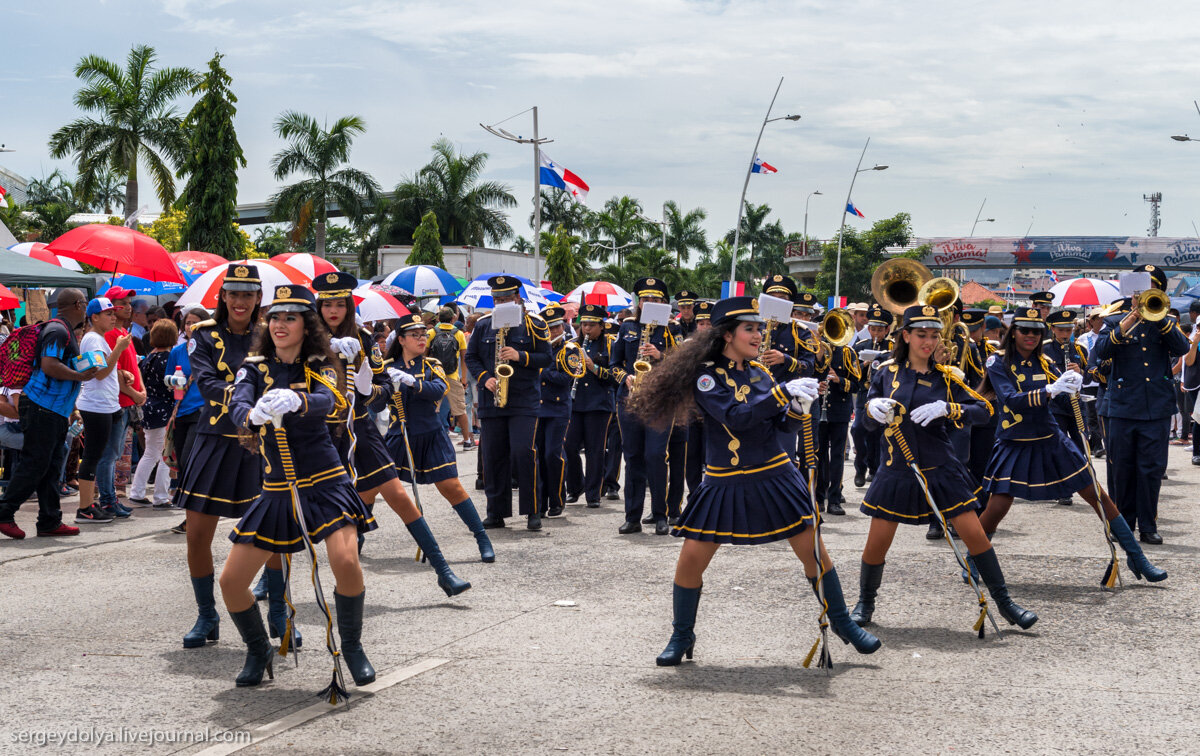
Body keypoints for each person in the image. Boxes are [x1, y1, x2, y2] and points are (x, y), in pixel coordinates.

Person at [626, 296, 880, 666]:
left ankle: (843, 623)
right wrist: (782, 393)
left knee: (814, 552)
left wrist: (796, 409)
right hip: (723, 481)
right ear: (728, 335)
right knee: (690, 562)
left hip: (775, 475)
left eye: (759, 328)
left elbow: (779, 428)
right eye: (751, 328)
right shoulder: (707, 377)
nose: (759, 334)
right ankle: (682, 635)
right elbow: (736, 416)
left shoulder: (761, 372)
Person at [221, 284, 377, 689]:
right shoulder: (254, 367)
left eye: (290, 317)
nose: (279, 324)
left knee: (345, 562)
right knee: (232, 582)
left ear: (306, 325)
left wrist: (297, 402)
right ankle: (258, 651)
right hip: (277, 488)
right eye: (274, 317)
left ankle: (353, 647)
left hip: (325, 482)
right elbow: (236, 404)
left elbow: (333, 401)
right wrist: (252, 413)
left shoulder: (321, 363)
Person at [850, 303, 1038, 633]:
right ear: (905, 335)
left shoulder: (949, 377)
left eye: (934, 335)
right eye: (921, 334)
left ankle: (1006, 603)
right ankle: (865, 602)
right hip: (896, 469)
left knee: (976, 537)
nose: (928, 342)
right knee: (877, 543)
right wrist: (871, 408)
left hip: (941, 469)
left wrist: (949, 409)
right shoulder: (885, 373)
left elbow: (984, 411)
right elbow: (865, 426)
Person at [315, 272, 479, 597]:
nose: (334, 310)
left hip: (360, 427)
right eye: (327, 303)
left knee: (400, 497)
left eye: (340, 303)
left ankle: (443, 571)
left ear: (349, 305)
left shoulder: (362, 340)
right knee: (299, 504)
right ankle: (270, 583)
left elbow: (383, 387)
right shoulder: (305, 339)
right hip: (319, 431)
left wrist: (366, 387)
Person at [976, 308, 1166, 583]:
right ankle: (973, 559)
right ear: (1013, 332)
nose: (1030, 336)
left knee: (1098, 496)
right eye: (1024, 330)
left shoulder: (1044, 362)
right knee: (996, 509)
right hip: (1015, 441)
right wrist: (1050, 390)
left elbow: (1066, 402)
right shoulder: (998, 362)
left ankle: (1137, 557)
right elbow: (1010, 399)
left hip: (1051, 439)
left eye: (1035, 331)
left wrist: (1076, 384)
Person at [175, 264, 268, 649]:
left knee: (270, 534)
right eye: (234, 293)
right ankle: (206, 614)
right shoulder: (204, 335)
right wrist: (247, 401)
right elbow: (207, 381)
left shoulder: (271, 334)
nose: (241, 301)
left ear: (258, 297)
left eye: (248, 294)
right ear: (224, 296)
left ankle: (278, 613)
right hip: (214, 438)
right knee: (197, 536)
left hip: (260, 443)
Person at [384, 312, 493, 565]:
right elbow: (377, 401)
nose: (421, 339)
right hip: (400, 436)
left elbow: (440, 389)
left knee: (452, 487)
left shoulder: (432, 364)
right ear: (401, 339)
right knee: (372, 488)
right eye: (415, 335)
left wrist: (412, 383)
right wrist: (373, 386)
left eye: (423, 334)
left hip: (431, 435)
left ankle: (481, 538)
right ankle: (356, 535)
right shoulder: (388, 367)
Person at [1093, 264, 1189, 544]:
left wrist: (1159, 319)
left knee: (1151, 468)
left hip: (1156, 408)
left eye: (1154, 291)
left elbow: (1182, 349)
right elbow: (1100, 352)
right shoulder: (1114, 322)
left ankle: (1148, 525)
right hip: (1122, 407)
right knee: (1121, 468)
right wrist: (1130, 319)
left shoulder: (1164, 323)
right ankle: (1123, 525)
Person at [0, 289, 96, 540]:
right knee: (36, 463)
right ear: (78, 304)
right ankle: (4, 511)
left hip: (52, 409)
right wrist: (80, 375)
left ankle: (49, 520)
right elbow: (49, 365)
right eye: (85, 304)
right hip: (42, 407)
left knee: (53, 465)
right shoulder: (58, 330)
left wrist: (72, 407)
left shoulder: (62, 330)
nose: (86, 308)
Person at [464, 276, 552, 531]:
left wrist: (520, 355)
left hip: (524, 399)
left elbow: (546, 357)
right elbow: (471, 357)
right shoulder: (483, 325)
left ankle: (533, 510)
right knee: (493, 457)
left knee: (524, 453)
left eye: (505, 299)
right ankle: (496, 512)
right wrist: (485, 378)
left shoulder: (534, 324)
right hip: (493, 400)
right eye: (496, 299)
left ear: (517, 298)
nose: (500, 303)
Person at [611, 277, 683, 535]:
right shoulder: (627, 326)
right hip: (630, 399)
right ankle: (632, 517)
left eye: (656, 299)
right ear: (638, 302)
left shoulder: (672, 330)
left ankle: (661, 515)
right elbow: (614, 365)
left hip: (660, 402)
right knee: (633, 458)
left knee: (655, 456)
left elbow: (682, 367)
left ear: (664, 302)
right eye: (646, 299)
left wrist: (660, 355)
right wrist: (626, 377)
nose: (650, 303)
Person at [73, 297, 137, 523]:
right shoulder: (92, 339)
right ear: (94, 317)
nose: (113, 317)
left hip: (105, 405)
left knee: (98, 455)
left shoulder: (97, 338)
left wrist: (121, 373)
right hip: (96, 406)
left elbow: (105, 370)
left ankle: (90, 504)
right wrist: (119, 348)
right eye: (108, 313)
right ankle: (85, 508)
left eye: (114, 313)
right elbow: (98, 373)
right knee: (93, 456)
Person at [97, 286, 145, 519]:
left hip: (128, 402)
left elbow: (133, 366)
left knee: (115, 453)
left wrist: (141, 390)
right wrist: (133, 393)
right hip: (116, 402)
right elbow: (110, 369)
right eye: (123, 303)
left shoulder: (124, 334)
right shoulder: (108, 335)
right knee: (109, 454)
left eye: (129, 303)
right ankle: (107, 500)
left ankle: (110, 497)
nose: (128, 307)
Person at [533, 306, 585, 519]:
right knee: (538, 456)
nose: (553, 332)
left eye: (556, 328)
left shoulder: (570, 349)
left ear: (562, 327)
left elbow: (568, 378)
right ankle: (540, 501)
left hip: (557, 408)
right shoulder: (539, 349)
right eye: (549, 329)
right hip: (538, 407)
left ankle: (557, 498)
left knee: (552, 454)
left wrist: (542, 369)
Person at [564, 304, 618, 508]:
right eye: (583, 324)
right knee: (569, 446)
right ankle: (576, 486)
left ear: (601, 326)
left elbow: (615, 376)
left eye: (591, 325)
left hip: (599, 404)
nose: (586, 329)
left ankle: (593, 494)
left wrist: (593, 367)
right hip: (576, 403)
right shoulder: (571, 344)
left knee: (595, 450)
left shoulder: (611, 344)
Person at [129, 319, 179, 507]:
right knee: (165, 454)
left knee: (150, 453)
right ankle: (160, 496)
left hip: (148, 408)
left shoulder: (148, 358)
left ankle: (137, 491)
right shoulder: (169, 358)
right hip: (164, 410)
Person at [815, 314, 861, 516]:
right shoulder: (816, 350)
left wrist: (838, 380)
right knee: (818, 455)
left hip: (840, 411)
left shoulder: (848, 353)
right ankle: (818, 497)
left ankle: (834, 498)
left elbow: (856, 385)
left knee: (837, 457)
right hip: (818, 408)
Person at [164, 305, 208, 516]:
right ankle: (190, 510)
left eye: (195, 322)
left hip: (202, 411)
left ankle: (192, 511)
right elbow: (167, 379)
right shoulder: (177, 351)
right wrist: (174, 381)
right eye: (188, 322)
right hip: (181, 410)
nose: (191, 326)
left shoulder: (211, 349)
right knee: (181, 460)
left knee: (191, 459)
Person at [851, 305, 893, 488]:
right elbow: (851, 371)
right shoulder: (860, 346)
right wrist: (864, 365)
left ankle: (874, 470)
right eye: (873, 329)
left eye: (880, 330)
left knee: (876, 434)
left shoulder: (892, 347)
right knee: (857, 430)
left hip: (882, 395)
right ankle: (860, 467)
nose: (876, 333)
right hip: (863, 394)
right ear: (869, 329)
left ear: (887, 330)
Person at [427, 307, 475, 450]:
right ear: (453, 319)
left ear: (438, 319)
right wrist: (464, 378)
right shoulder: (459, 333)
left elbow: (424, 356)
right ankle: (467, 441)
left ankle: (432, 442)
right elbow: (464, 358)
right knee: (460, 410)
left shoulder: (431, 333)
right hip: (453, 376)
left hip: (435, 376)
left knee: (432, 409)